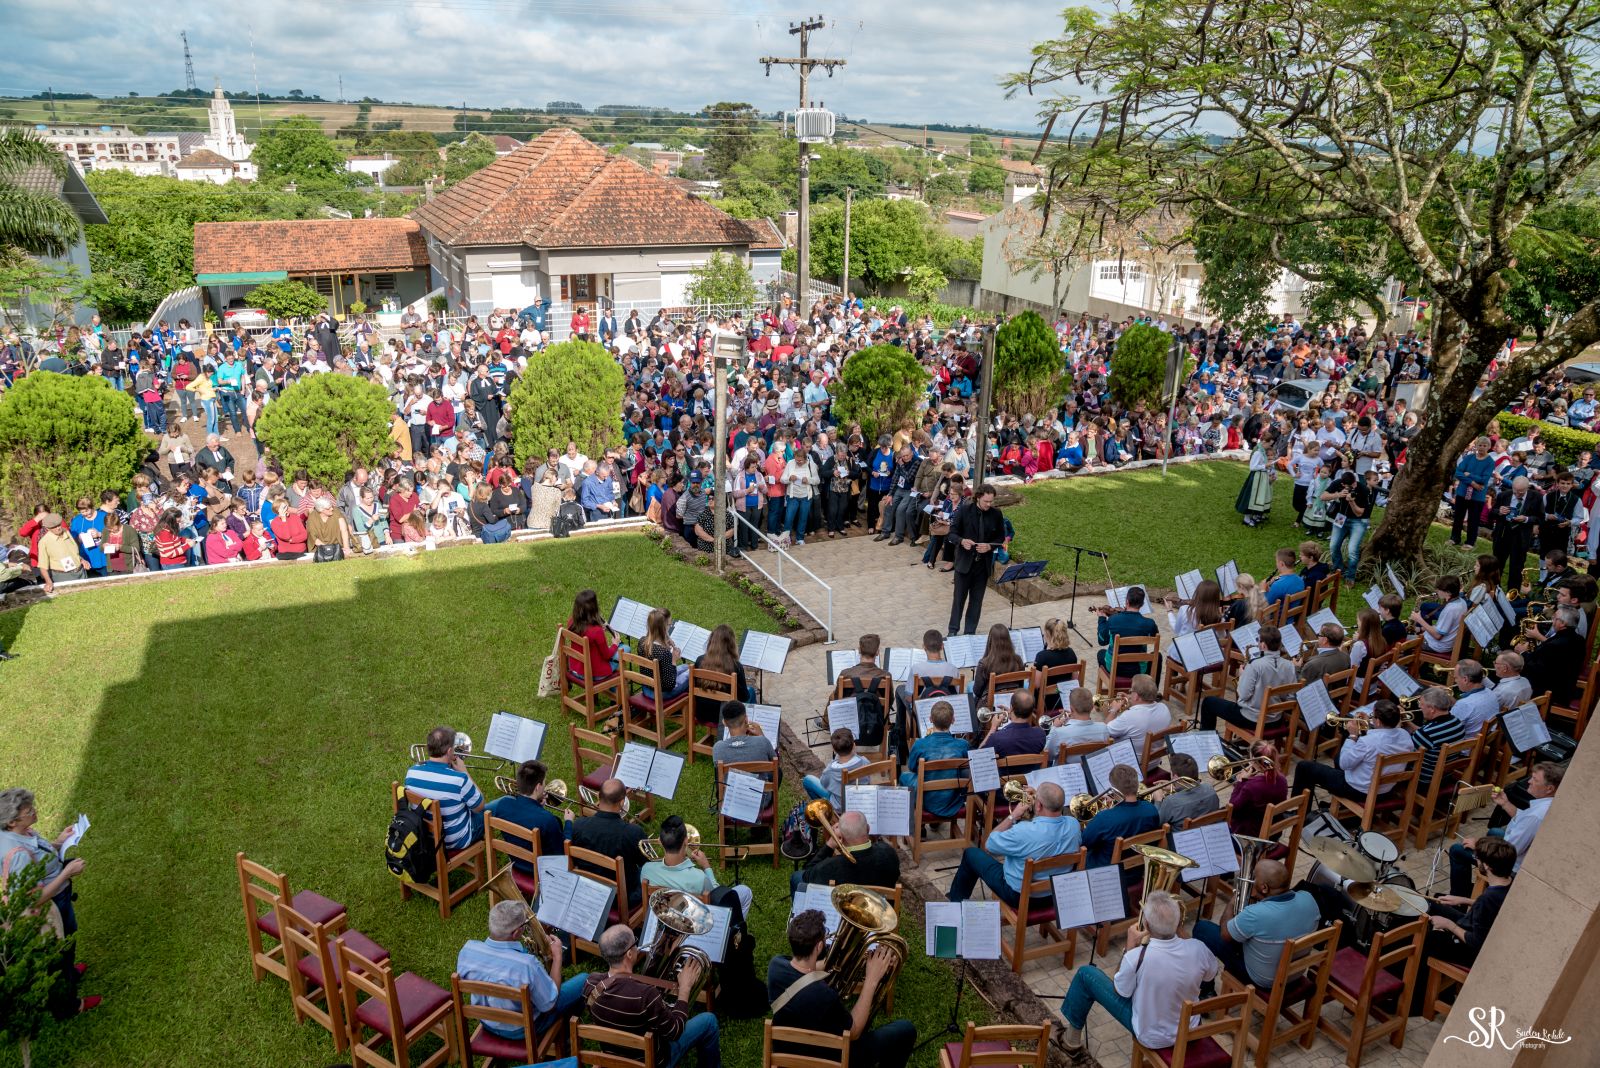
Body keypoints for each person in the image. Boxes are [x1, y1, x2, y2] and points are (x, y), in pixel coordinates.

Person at [1057, 891, 1219, 1064]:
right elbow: (1210, 975)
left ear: (1146, 925)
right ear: (1179, 922)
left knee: (1086, 974)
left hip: (1152, 1037)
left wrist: (1129, 947)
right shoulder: (1199, 948)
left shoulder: (1136, 957)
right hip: (1190, 1029)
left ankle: (1070, 1041)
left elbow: (1121, 991)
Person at [768, 910, 915, 1068]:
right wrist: (872, 979)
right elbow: (854, 1032)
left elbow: (807, 970)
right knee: (905, 1030)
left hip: (786, 1052)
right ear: (819, 946)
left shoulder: (776, 966)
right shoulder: (824, 996)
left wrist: (851, 958)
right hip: (830, 1059)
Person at [0, 788, 98, 1017]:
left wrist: (59, 842)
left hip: (58, 899)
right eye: (28, 811)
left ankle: (70, 974)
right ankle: (69, 1006)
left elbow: (38, 857)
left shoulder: (15, 833)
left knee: (68, 943)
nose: (34, 811)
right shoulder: (18, 855)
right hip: (51, 906)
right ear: (13, 821)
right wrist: (66, 873)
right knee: (59, 951)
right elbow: (32, 899)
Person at [583, 924, 719, 1068]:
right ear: (629, 954)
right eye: (635, 942)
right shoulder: (646, 996)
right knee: (709, 1021)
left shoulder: (590, 984)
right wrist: (685, 989)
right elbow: (675, 1031)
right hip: (653, 1062)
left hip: (612, 1057)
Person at [1410, 838, 1518, 1015]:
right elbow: (1493, 908)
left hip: (1473, 951)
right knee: (1432, 905)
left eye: (1478, 859)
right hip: (1478, 928)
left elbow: (1476, 942)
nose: (1477, 861)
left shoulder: (1488, 899)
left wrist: (1448, 925)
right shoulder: (1511, 881)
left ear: (1487, 866)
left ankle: (1418, 1002)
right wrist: (1463, 900)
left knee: (1426, 939)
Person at [456, 900, 587, 1042]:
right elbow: (549, 1005)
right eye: (524, 925)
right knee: (585, 979)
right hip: (521, 1030)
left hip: (486, 1021)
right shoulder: (527, 965)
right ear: (516, 932)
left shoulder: (467, 950)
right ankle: (565, 1035)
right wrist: (557, 958)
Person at [945, 782, 1077, 907]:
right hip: (1056, 894)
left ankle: (955, 902)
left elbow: (989, 845)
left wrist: (1013, 816)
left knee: (971, 853)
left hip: (1019, 897)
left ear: (1038, 805)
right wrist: (1039, 797)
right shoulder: (1074, 825)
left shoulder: (1023, 831)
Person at [1192, 859, 1320, 987]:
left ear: (1264, 888)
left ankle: (1206, 990)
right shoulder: (1308, 898)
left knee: (1202, 928)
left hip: (1264, 980)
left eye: (1253, 878)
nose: (1251, 880)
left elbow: (1225, 934)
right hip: (1295, 973)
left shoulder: (1256, 914)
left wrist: (1232, 902)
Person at [1449, 762, 1561, 894]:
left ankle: (1460, 896)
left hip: (1512, 866)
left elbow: (1510, 852)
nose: (1529, 781)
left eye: (1535, 780)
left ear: (1549, 789)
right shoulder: (1547, 804)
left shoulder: (1536, 816)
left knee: (1457, 850)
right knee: (1495, 831)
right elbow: (1522, 821)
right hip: (1517, 851)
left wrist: (1478, 847)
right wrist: (1505, 803)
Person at [1289, 700, 1415, 804]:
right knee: (1340, 757)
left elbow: (1344, 764)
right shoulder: (1406, 736)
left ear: (1377, 722)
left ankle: (1299, 812)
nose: (1371, 718)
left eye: (1373, 716)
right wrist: (1368, 724)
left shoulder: (1367, 742)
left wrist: (1352, 735)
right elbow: (1383, 738)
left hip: (1360, 791)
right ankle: (1339, 807)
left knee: (1304, 767)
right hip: (1385, 790)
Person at [640, 814, 753, 918]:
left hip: (664, 918)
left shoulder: (647, 869)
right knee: (745, 891)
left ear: (660, 841)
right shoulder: (699, 878)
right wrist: (706, 867)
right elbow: (717, 897)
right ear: (686, 841)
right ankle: (733, 930)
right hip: (693, 922)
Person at [1198, 625, 1296, 732]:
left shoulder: (1255, 665)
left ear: (1263, 645)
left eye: (1258, 640)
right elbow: (1291, 698)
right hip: (1276, 720)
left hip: (1252, 720)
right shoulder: (1289, 665)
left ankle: (1208, 738)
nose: (1257, 643)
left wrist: (1241, 676)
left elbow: (1244, 695)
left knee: (1209, 702)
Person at [569, 779, 648, 909]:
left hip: (586, 891)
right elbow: (646, 865)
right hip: (619, 900)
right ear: (622, 802)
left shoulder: (578, 825)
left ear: (599, 797)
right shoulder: (633, 833)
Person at [404, 725, 487, 849]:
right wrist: (465, 772)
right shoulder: (460, 779)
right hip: (453, 841)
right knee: (496, 808)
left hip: (424, 836)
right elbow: (479, 806)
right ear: (449, 751)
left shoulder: (412, 772)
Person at [792, 810, 900, 897]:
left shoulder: (832, 866)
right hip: (883, 912)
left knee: (797, 877)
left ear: (841, 838)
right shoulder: (889, 852)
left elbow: (807, 875)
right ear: (868, 829)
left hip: (846, 914)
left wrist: (829, 845)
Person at [947, 484, 1006, 636]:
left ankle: (969, 633)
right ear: (978, 497)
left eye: (991, 501)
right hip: (964, 564)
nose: (989, 504)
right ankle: (953, 631)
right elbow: (952, 533)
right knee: (958, 600)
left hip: (982, 566)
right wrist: (962, 541)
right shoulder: (964, 510)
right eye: (986, 501)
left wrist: (989, 546)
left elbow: (1000, 537)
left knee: (976, 601)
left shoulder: (996, 514)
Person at [483, 759, 566, 868]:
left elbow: (524, 816)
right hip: (540, 872)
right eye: (544, 783)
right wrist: (568, 823)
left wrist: (537, 808)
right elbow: (561, 856)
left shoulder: (502, 805)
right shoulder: (548, 820)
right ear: (538, 787)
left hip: (516, 863)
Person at [1081, 765, 1162, 868]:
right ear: (1137, 784)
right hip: (1139, 868)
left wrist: (1104, 815)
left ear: (1114, 790)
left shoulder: (1104, 818)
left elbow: (1084, 843)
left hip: (1109, 870)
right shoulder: (1151, 809)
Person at [901, 699, 970, 818]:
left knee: (904, 776)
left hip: (926, 801)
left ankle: (914, 815)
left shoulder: (919, 744)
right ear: (953, 720)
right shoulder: (963, 745)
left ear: (930, 719)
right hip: (952, 801)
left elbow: (912, 767)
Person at [1517, 605, 1586, 705]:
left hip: (1551, 692)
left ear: (1562, 624)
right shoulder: (1579, 639)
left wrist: (1523, 653)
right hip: (1565, 685)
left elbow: (1536, 672)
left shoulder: (1555, 645)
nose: (1552, 619)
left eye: (1555, 618)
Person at [1104, 675, 1172, 769]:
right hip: (1154, 763)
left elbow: (1105, 732)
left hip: (1131, 767)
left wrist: (1113, 710)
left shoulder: (1129, 716)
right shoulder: (1164, 709)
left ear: (1136, 696)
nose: (1130, 693)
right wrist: (1132, 699)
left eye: (1131, 691)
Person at [1225, 742, 1289, 838]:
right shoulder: (1283, 780)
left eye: (1250, 758)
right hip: (1274, 834)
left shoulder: (1250, 786)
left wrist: (1240, 782)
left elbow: (1232, 810)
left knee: (1220, 814)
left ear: (1255, 761)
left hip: (1251, 836)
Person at [1491, 475, 1544, 590]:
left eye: (1521, 492)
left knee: (1517, 567)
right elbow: (1492, 512)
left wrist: (1526, 519)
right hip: (1503, 534)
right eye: (1515, 491)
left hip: (1521, 537)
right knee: (1497, 565)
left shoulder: (1536, 497)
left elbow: (1540, 517)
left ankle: (1512, 594)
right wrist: (1499, 511)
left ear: (1527, 488)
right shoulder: (1504, 495)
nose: (1517, 494)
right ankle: (1493, 590)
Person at [1407, 687, 1465, 788]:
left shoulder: (1426, 733)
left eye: (1422, 704)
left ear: (1432, 709)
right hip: (1446, 776)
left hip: (1423, 781)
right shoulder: (1457, 722)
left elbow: (1405, 755)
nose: (1420, 707)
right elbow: (1429, 736)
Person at [692, 623, 750, 725]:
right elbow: (744, 697)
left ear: (711, 641)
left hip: (701, 713)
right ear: (731, 644)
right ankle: (747, 728)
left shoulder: (699, 660)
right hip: (725, 717)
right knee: (751, 692)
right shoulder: (736, 666)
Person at [1095, 585, 1159, 671]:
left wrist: (1102, 619)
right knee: (1157, 656)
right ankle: (1150, 680)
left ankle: (1111, 678)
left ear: (1127, 602)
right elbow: (1155, 636)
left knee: (1101, 653)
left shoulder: (1113, 620)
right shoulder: (1150, 623)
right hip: (1139, 669)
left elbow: (1102, 641)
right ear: (1142, 604)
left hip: (1115, 668)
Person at [564, 588, 619, 685]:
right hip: (594, 674)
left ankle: (611, 689)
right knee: (625, 649)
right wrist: (615, 644)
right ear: (594, 608)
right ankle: (614, 690)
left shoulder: (571, 622)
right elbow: (607, 655)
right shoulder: (596, 631)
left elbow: (587, 632)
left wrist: (599, 628)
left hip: (575, 669)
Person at [802, 728, 868, 809]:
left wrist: (833, 761)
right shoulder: (865, 761)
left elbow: (823, 783)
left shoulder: (830, 770)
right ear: (854, 745)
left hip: (839, 807)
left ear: (834, 750)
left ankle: (822, 809)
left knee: (807, 780)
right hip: (861, 801)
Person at [1451, 436, 1496, 546]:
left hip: (1477, 496)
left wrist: (1469, 474)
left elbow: (1484, 479)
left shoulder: (1490, 462)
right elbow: (1458, 473)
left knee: (1473, 520)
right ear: (1476, 446)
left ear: (1489, 447)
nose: (1482, 447)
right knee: (1458, 517)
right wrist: (1473, 483)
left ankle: (1470, 542)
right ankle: (1454, 538)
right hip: (1462, 492)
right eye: (1480, 445)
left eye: (1484, 446)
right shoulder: (1469, 457)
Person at [1410, 576, 1468, 656]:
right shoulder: (1462, 602)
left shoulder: (1450, 610)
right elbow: (1444, 628)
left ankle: (1406, 662)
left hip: (1436, 646)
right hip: (1446, 643)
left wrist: (1419, 619)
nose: (1437, 591)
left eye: (1439, 589)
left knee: (1402, 639)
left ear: (1448, 592)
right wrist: (1421, 629)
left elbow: (1437, 636)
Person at [1155, 754, 1220, 826]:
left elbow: (1156, 823)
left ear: (1176, 777)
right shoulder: (1210, 789)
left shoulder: (1170, 801)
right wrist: (1175, 788)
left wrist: (1158, 800)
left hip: (1182, 833)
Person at [979, 690, 1047, 757]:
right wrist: (1013, 716)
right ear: (1032, 711)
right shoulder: (1041, 734)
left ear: (1011, 708)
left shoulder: (997, 738)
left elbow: (979, 756)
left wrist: (993, 728)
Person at [1045, 686, 1110, 756]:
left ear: (1071, 709)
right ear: (1092, 707)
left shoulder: (1058, 733)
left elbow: (1048, 755)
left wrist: (1054, 728)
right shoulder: (1103, 728)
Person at [711, 700, 775, 770]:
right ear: (746, 719)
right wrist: (761, 735)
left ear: (724, 723)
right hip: (760, 778)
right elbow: (775, 763)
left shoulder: (718, 748)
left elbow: (718, 772)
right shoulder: (763, 742)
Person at [35, 512, 86, 593]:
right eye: (54, 527)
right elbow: (43, 566)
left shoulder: (66, 531)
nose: (58, 528)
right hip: (63, 576)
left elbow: (73, 551)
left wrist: (82, 560)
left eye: (59, 525)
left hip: (80, 572)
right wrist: (48, 581)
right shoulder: (44, 542)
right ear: (47, 528)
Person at [1235, 427, 1277, 526]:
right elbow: (1253, 467)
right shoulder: (1258, 452)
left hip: (1261, 477)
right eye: (1269, 444)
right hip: (1256, 478)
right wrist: (1265, 466)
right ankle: (1247, 518)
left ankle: (1254, 515)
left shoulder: (1262, 451)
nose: (1269, 446)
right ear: (1264, 442)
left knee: (1259, 496)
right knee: (1251, 497)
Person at [1449, 659, 1500, 736]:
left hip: (1464, 742)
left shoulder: (1464, 704)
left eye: (1456, 678)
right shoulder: (1490, 693)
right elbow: (1468, 711)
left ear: (1465, 679)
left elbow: (1447, 730)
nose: (1455, 681)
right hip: (1483, 737)